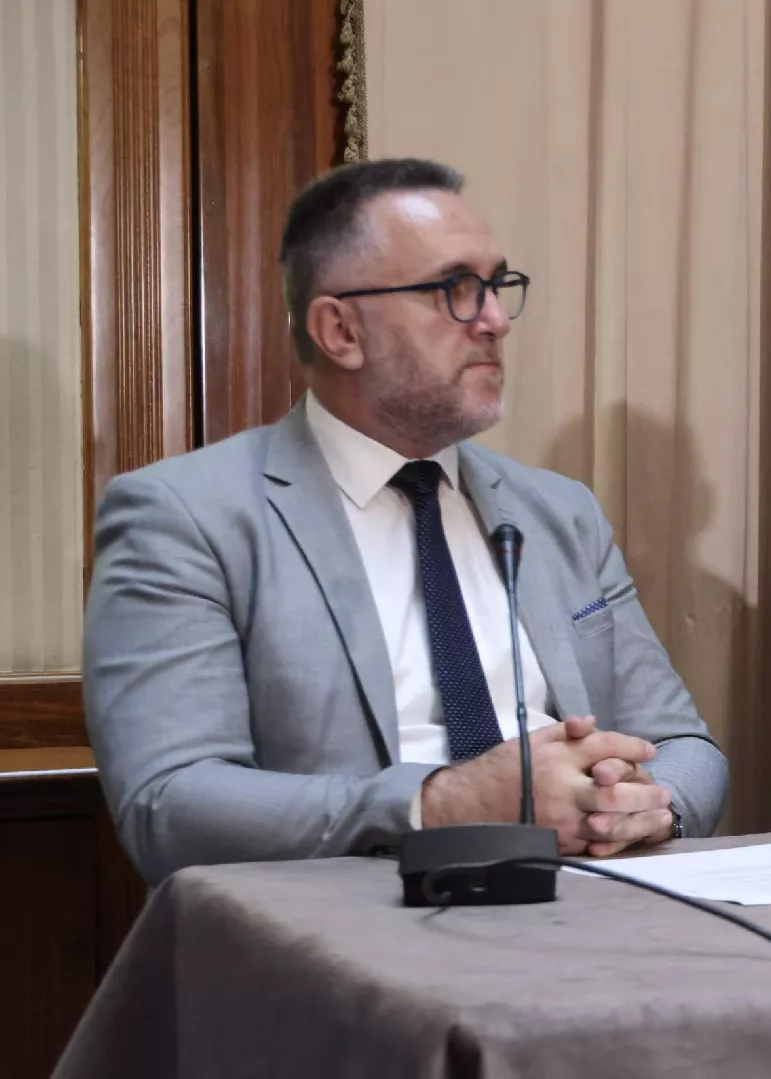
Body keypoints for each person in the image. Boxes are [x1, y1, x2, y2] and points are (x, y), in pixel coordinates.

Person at [84, 158, 728, 883]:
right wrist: (441, 803)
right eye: (455, 289)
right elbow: (168, 804)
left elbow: (684, 744)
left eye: (496, 287)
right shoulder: (186, 516)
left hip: (591, 897)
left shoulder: (559, 511)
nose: (494, 321)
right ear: (340, 330)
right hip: (351, 917)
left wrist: (650, 809)